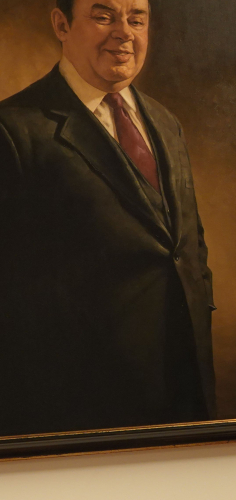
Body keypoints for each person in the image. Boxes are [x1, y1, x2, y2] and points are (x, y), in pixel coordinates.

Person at [0, 0, 215, 435]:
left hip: (186, 383)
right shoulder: (14, 130)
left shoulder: (165, 121)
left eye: (137, 19)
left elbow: (187, 243)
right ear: (61, 24)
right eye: (104, 16)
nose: (124, 33)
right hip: (81, 405)